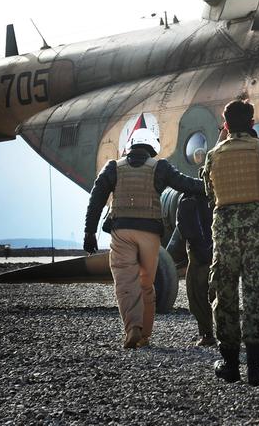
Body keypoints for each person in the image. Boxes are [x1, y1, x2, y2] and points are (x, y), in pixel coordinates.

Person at [84, 127, 204, 349]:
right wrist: (211, 187)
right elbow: (186, 185)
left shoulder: (113, 168)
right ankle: (145, 336)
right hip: (149, 235)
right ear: (152, 148)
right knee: (147, 285)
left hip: (122, 234)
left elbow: (96, 199)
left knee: (125, 283)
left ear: (130, 147)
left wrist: (89, 232)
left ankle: (133, 329)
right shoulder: (161, 167)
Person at [201, 100, 259, 386]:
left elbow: (209, 195)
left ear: (226, 125)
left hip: (225, 234)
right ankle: (255, 368)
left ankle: (229, 365)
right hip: (258, 233)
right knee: (256, 297)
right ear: (252, 123)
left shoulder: (213, 156)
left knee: (225, 296)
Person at [175, 192, 215, 346]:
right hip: (221, 249)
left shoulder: (189, 196)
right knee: (222, 293)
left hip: (198, 255)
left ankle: (207, 334)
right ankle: (229, 335)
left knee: (197, 295)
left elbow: (183, 229)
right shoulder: (224, 191)